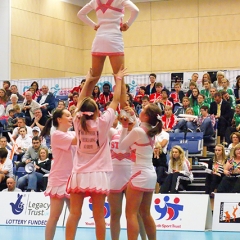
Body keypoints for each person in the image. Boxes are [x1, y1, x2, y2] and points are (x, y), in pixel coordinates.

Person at [65, 66, 126, 240]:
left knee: (74, 214)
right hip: (98, 174)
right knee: (99, 217)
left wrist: (90, 79)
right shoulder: (104, 122)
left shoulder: (77, 121)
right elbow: (115, 101)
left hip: (79, 173)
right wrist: (118, 79)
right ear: (98, 111)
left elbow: (81, 100)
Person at [118, 103, 162, 240]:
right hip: (150, 175)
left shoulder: (138, 131)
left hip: (139, 174)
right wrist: (132, 115)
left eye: (142, 110)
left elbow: (121, 147)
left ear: (146, 116)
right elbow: (138, 127)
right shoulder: (150, 130)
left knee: (130, 214)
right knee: (145, 213)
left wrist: (124, 127)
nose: (140, 110)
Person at [77, 0, 139, 83]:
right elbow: (135, 10)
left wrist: (93, 25)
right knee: (119, 78)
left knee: (93, 78)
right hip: (114, 38)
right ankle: (119, 96)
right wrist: (128, 24)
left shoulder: (94, 1)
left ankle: (85, 96)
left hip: (99, 38)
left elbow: (80, 14)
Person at [108, 109, 146, 240]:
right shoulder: (113, 132)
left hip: (132, 174)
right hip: (114, 176)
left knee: (137, 214)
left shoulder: (138, 133)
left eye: (131, 119)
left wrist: (133, 114)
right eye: (125, 118)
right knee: (115, 214)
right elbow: (103, 125)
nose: (128, 120)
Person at [45, 109, 77, 240]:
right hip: (59, 179)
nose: (71, 117)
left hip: (73, 179)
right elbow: (78, 140)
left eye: (71, 115)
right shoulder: (57, 135)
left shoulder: (73, 133)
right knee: (55, 216)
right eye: (68, 115)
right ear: (59, 119)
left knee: (75, 215)